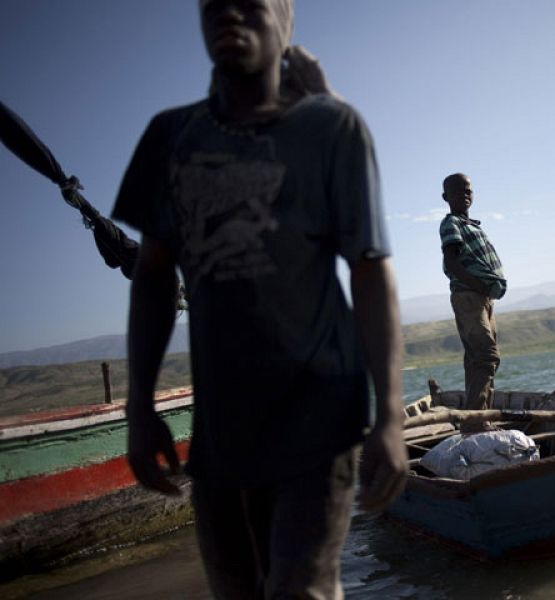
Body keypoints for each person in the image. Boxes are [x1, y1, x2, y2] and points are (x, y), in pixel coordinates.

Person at [112, 1, 407, 597]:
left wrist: (391, 416)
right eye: (214, 3)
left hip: (319, 417)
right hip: (220, 433)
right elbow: (152, 276)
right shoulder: (170, 136)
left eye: (251, 2)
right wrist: (139, 407)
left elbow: (371, 273)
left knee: (300, 592)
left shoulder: (332, 129)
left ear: (285, 23)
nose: (229, 12)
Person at [439, 173, 506, 433]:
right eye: (458, 192)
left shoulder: (473, 225)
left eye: (469, 191)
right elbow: (452, 261)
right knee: (487, 355)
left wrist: (486, 290)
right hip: (469, 296)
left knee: (475, 359)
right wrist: (478, 285)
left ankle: (479, 417)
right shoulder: (450, 223)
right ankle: (474, 420)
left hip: (482, 297)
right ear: (446, 197)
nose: (465, 195)